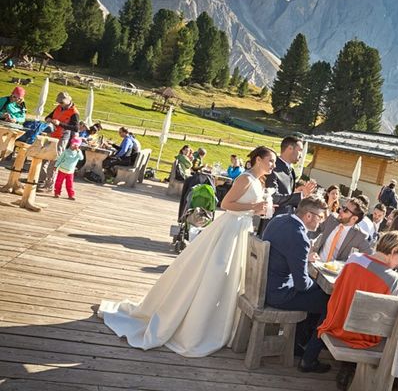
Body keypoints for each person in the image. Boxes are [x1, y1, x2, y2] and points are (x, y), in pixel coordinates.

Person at [99, 146, 275, 357]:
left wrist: (258, 209)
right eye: (270, 161)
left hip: (243, 228)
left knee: (231, 277)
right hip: (230, 229)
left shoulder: (258, 181)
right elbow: (226, 203)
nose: (272, 165)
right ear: (257, 160)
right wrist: (254, 206)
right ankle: (193, 326)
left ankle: (220, 324)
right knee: (216, 271)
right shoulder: (245, 179)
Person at [299, 231, 398, 384]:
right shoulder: (393, 279)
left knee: (330, 308)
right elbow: (387, 315)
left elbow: (337, 286)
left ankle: (308, 358)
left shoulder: (354, 259)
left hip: (335, 322)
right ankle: (349, 373)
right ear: (393, 251)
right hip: (361, 335)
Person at [262, 196, 330, 370]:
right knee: (330, 303)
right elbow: (302, 285)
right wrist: (319, 284)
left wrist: (302, 259)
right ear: (308, 216)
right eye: (320, 217)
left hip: (265, 285)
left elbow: (282, 252)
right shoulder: (300, 237)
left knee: (318, 296)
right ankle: (309, 359)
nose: (320, 223)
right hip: (278, 294)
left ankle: (296, 345)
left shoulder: (279, 220)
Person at [265, 136, 316, 218]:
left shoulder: (291, 171)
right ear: (290, 148)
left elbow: (288, 196)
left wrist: (304, 196)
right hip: (272, 221)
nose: (301, 156)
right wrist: (300, 195)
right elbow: (273, 197)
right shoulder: (273, 169)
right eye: (300, 151)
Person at [309, 198, 373, 263]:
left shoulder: (359, 236)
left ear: (354, 218)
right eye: (343, 207)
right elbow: (312, 232)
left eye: (345, 210)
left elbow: (369, 257)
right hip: (315, 266)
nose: (340, 210)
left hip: (335, 272)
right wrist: (311, 250)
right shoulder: (331, 219)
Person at [38, 92, 80, 190]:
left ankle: (49, 185)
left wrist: (60, 123)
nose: (60, 104)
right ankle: (41, 180)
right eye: (59, 102)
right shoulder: (58, 107)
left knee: (54, 161)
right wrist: (48, 119)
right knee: (44, 158)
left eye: (61, 102)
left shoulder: (74, 112)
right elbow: (48, 116)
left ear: (68, 101)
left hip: (62, 137)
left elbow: (76, 128)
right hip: (51, 135)